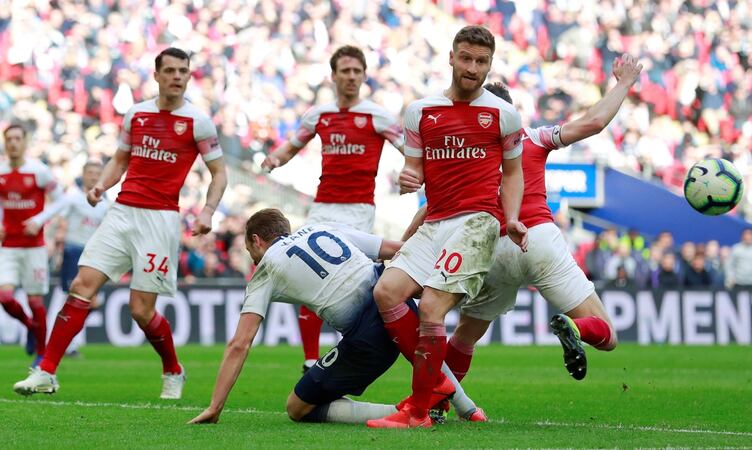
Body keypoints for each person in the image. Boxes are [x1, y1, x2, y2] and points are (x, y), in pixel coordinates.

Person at [403, 54, 641, 387]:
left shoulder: (465, 152)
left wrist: (403, 245)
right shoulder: (533, 137)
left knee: (465, 336)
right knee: (607, 334)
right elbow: (593, 123)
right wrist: (625, 82)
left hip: (489, 251)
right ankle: (576, 328)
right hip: (537, 238)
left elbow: (432, 209)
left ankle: (438, 402)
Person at [13, 48, 228, 400]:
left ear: (189, 76)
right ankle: (47, 371)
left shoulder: (198, 121)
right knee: (82, 284)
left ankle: (173, 369)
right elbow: (120, 159)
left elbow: (219, 173)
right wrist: (102, 185)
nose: (177, 76)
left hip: (160, 220)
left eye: (183, 71)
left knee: (141, 310)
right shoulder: (137, 114)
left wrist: (207, 211)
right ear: (156, 75)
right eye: (170, 70)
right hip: (123, 212)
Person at [366, 26, 527, 429]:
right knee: (386, 292)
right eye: (467, 58)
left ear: (490, 64)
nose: (473, 68)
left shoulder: (503, 114)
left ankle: (418, 412)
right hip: (435, 219)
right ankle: (437, 382)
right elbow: (414, 168)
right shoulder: (420, 111)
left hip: (477, 221)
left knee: (433, 309)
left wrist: (511, 217)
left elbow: (513, 173)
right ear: (451, 57)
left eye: (482, 61)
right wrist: (408, 177)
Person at [188, 209, 476, 425]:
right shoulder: (320, 228)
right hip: (391, 297)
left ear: (257, 240)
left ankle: (406, 411)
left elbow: (240, 343)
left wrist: (215, 406)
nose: (252, 257)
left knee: (297, 407)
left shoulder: (266, 269)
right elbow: (395, 249)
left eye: (250, 250)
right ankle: (467, 408)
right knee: (405, 322)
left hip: (369, 337)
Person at [262, 46, 404, 373]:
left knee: (354, 283)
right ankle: (310, 360)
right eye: (346, 71)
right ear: (334, 75)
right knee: (310, 278)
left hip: (359, 210)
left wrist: (414, 170)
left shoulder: (377, 115)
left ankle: (346, 356)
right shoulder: (320, 115)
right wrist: (274, 159)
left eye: (357, 71)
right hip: (323, 208)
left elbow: (408, 149)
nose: (351, 77)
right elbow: (292, 145)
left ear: (364, 76)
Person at [25, 160, 109, 356]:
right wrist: (48, 237)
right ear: (84, 175)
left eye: (98, 173)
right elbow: (56, 216)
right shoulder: (73, 198)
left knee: (90, 302)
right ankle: (58, 342)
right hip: (74, 253)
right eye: (91, 173)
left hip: (94, 256)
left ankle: (63, 338)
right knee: (72, 300)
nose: (94, 177)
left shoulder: (107, 205)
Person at [0, 124, 63, 365]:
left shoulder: (39, 171)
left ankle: (41, 353)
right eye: (9, 139)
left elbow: (61, 200)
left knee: (35, 301)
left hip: (34, 247)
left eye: (17, 138)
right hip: (9, 246)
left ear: (25, 142)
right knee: (4, 297)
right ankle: (30, 325)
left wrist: (39, 220)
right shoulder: (1, 171)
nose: (13, 143)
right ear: (5, 143)